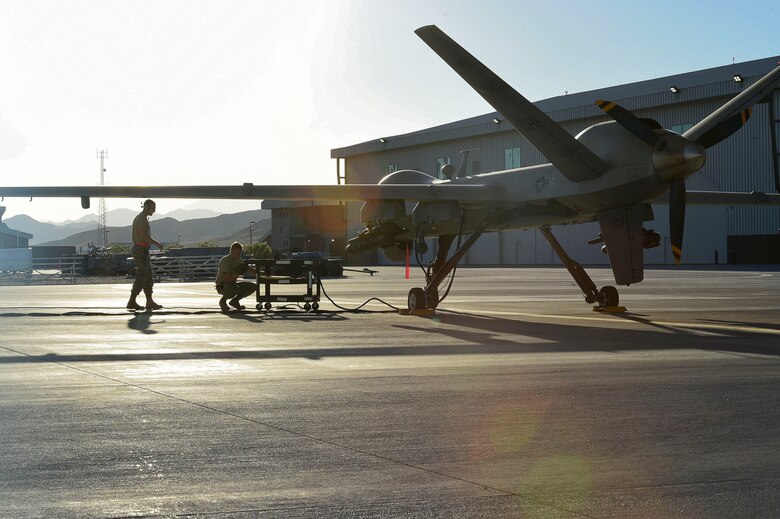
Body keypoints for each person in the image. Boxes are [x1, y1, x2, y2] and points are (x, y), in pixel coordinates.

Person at [126, 199, 164, 311]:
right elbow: (145, 237)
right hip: (140, 249)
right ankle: (132, 301)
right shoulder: (141, 220)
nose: (154, 211)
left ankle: (149, 301)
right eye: (153, 208)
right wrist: (157, 243)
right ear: (146, 207)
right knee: (142, 275)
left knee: (148, 276)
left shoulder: (142, 218)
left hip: (142, 249)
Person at [216, 242, 257, 312]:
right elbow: (227, 278)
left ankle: (235, 301)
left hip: (232, 283)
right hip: (222, 285)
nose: (239, 254)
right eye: (237, 252)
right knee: (234, 288)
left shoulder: (239, 260)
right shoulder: (225, 261)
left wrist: (260, 273)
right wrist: (238, 272)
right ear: (232, 251)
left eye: (240, 252)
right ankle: (223, 301)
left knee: (253, 286)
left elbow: (248, 269)